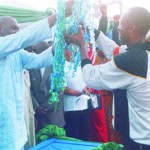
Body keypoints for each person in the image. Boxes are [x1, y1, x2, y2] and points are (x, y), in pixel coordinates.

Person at [65, 7, 150, 150]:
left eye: (121, 24)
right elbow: (113, 49)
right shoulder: (143, 53)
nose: (118, 28)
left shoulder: (130, 61)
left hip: (141, 141)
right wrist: (90, 29)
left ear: (131, 28)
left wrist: (81, 45)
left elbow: (91, 77)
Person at [0, 1, 73, 149]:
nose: (17, 32)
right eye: (13, 28)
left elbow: (38, 60)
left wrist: (59, 45)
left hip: (15, 120)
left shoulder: (16, 52)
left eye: (18, 29)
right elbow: (23, 38)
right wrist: (60, 15)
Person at [29, 41, 65, 132]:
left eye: (37, 51)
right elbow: (29, 90)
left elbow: (59, 91)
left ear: (45, 52)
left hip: (54, 114)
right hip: (38, 116)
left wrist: (45, 107)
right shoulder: (31, 67)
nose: (34, 54)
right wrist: (37, 107)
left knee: (57, 142)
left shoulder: (57, 67)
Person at [63, 46, 90, 141]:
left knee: (85, 134)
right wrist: (77, 93)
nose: (72, 52)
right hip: (71, 108)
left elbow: (87, 81)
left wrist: (87, 88)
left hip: (84, 105)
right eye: (69, 50)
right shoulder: (62, 66)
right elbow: (63, 87)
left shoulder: (79, 65)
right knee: (73, 135)